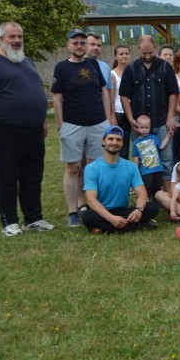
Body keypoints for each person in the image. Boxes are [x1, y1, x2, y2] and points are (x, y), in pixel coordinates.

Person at [0, 21, 54, 236]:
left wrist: (42, 120)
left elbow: (35, 92)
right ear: (1, 39)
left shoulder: (26, 61)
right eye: (12, 37)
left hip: (33, 130)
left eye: (20, 36)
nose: (17, 41)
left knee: (33, 176)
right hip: (6, 129)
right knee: (7, 178)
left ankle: (33, 218)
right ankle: (9, 221)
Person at [52, 29, 111, 227]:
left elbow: (103, 92)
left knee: (96, 167)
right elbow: (57, 98)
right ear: (68, 45)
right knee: (73, 168)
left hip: (97, 123)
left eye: (82, 42)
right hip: (72, 124)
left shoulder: (93, 64)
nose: (79, 46)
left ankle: (97, 207)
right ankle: (73, 212)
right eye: (75, 42)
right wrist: (61, 126)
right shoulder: (61, 67)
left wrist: (107, 121)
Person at [119, 34, 179, 192]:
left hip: (161, 121)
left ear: (156, 48)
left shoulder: (166, 67)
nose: (147, 56)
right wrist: (130, 117)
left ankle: (167, 194)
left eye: (150, 53)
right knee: (142, 160)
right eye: (144, 53)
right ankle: (143, 194)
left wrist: (170, 117)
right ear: (138, 49)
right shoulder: (131, 69)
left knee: (166, 159)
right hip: (139, 125)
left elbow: (173, 93)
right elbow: (124, 95)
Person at [81, 125, 159, 234]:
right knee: (87, 216)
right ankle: (139, 226)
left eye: (118, 140)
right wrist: (111, 218)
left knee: (153, 207)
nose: (114, 142)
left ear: (122, 143)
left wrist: (139, 210)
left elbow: (142, 193)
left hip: (122, 211)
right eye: (110, 139)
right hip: (101, 212)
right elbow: (91, 200)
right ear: (103, 142)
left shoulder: (131, 167)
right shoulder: (92, 168)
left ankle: (104, 229)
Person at [131, 114, 173, 201]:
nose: (144, 130)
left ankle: (157, 202)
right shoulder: (136, 143)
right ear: (137, 127)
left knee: (157, 188)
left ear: (150, 127)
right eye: (142, 127)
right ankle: (146, 202)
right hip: (146, 171)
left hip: (157, 169)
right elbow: (136, 158)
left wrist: (168, 136)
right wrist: (136, 171)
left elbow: (161, 146)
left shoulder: (154, 138)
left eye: (147, 127)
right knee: (147, 189)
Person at [86, 32, 115, 124]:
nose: (96, 47)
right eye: (92, 44)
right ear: (85, 44)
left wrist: (110, 117)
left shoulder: (105, 67)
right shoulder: (73, 66)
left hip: (101, 118)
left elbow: (109, 96)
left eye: (99, 45)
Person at [111, 45, 132, 158]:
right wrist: (113, 117)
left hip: (132, 112)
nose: (124, 56)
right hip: (119, 113)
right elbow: (111, 98)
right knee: (121, 145)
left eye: (126, 53)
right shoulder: (113, 75)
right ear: (115, 56)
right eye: (121, 54)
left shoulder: (133, 72)